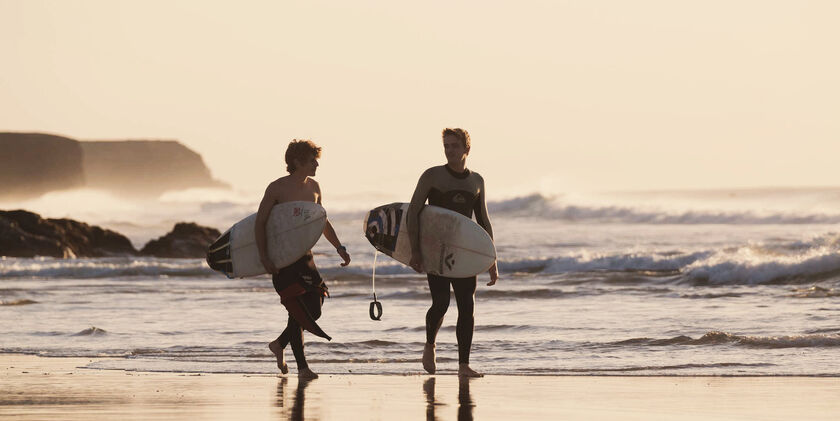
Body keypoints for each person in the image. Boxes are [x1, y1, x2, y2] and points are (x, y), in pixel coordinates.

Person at [407, 128, 499, 378]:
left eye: (455, 146)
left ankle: (463, 365)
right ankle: (430, 345)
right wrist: (415, 250)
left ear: (466, 149)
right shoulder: (432, 176)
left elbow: (483, 221)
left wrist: (491, 259)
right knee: (441, 302)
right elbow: (412, 213)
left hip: (463, 251)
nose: (449, 150)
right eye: (446, 145)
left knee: (467, 306)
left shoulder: (476, 181)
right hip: (435, 249)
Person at [255, 139, 351, 379]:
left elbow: (322, 220)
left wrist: (339, 246)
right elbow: (260, 222)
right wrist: (264, 256)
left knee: (315, 309)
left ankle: (278, 344)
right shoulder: (277, 188)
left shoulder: (315, 187)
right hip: (283, 258)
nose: (316, 164)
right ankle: (303, 368)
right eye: (311, 160)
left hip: (305, 256)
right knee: (296, 310)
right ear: (297, 162)